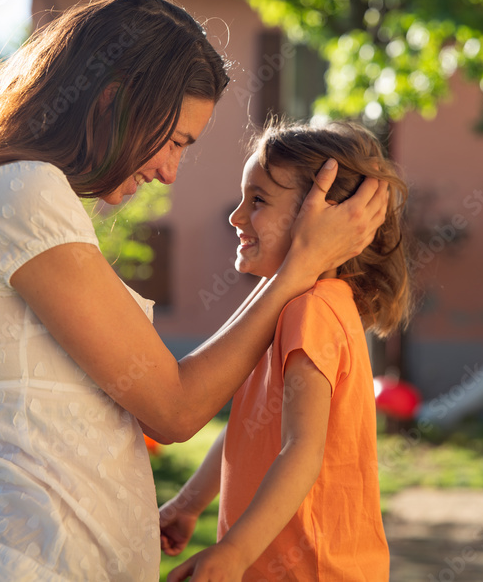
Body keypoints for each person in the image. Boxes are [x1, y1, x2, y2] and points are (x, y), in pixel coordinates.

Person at [0, 0, 387, 582]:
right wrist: (301, 264)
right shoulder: (23, 192)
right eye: (176, 141)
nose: (169, 170)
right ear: (113, 99)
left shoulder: (18, 192)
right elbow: (176, 408)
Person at [158, 120, 413, 582]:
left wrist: (233, 553)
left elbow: (302, 450)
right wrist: (187, 504)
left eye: (257, 201)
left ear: (323, 215)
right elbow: (249, 428)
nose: (236, 217)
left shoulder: (310, 310)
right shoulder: (293, 306)